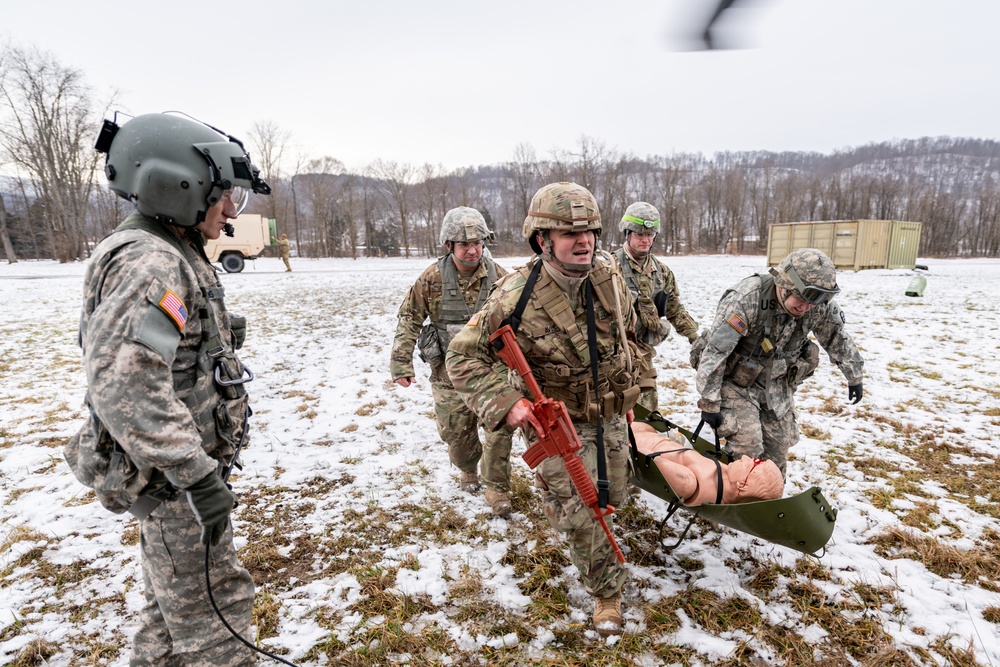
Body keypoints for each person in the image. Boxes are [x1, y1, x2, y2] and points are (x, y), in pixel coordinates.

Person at [64, 112, 271, 666]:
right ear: (178, 185)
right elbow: (125, 384)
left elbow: (157, 349)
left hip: (171, 477)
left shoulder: (169, 248)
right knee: (212, 615)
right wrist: (196, 473)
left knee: (168, 611)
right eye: (222, 194)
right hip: (173, 483)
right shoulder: (151, 261)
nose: (230, 209)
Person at [447, 182, 655, 636]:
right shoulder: (514, 295)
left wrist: (633, 395)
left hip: (610, 414)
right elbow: (462, 356)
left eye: (590, 232)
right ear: (543, 240)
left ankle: (590, 533)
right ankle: (607, 593)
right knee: (581, 509)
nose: (584, 242)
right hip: (555, 421)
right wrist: (509, 404)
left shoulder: (610, 279)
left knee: (614, 496)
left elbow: (628, 341)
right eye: (569, 234)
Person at [692, 248, 864, 477]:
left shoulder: (817, 304)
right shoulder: (746, 299)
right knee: (748, 449)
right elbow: (715, 353)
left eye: (813, 302)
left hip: (777, 387)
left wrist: (854, 376)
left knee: (777, 454)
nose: (806, 308)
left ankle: (767, 501)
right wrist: (710, 403)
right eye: (800, 299)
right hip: (737, 385)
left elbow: (836, 337)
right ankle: (734, 501)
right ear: (783, 285)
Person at [389, 206, 516, 515]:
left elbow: (523, 319)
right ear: (449, 246)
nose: (473, 250)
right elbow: (409, 319)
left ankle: (497, 489)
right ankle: (468, 468)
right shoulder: (431, 279)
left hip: (492, 372)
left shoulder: (501, 277)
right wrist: (401, 363)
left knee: (499, 428)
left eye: (478, 243)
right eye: (464, 245)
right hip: (450, 376)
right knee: (457, 437)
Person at [613, 201, 699, 412]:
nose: (645, 240)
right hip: (613, 355)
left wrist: (695, 337)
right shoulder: (609, 267)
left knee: (647, 414)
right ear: (627, 233)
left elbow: (674, 308)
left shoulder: (662, 272)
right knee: (614, 414)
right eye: (640, 234)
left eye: (650, 235)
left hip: (643, 355)